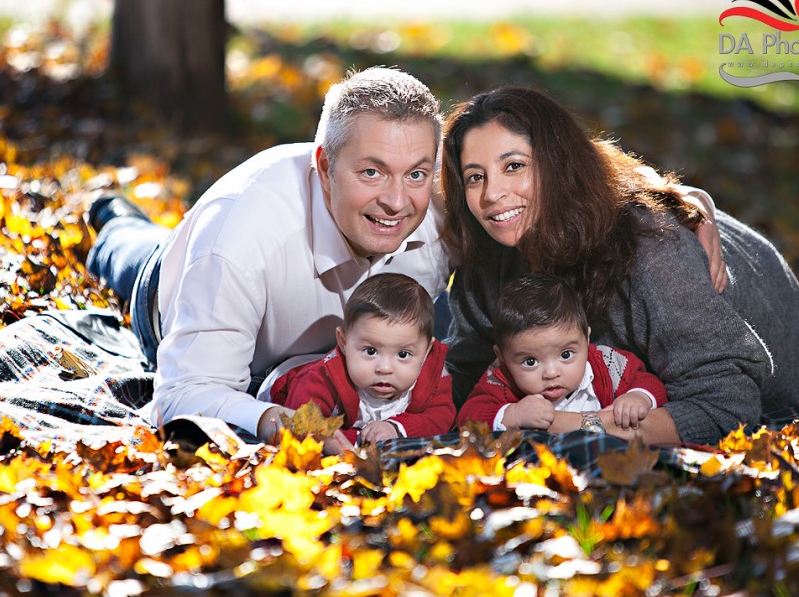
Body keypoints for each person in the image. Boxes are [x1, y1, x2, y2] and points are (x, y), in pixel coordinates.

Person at [86, 67, 452, 441]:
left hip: (328, 357)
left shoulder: (444, 208)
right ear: (325, 168)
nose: (396, 202)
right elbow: (182, 393)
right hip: (171, 291)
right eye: (372, 172)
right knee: (130, 250)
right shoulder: (238, 240)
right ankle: (115, 220)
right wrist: (287, 426)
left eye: (416, 175)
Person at [440, 86, 799, 445]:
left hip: (769, 326)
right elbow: (463, 377)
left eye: (514, 166)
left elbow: (725, 403)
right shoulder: (490, 245)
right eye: (475, 177)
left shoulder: (653, 252)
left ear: (557, 166)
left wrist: (574, 425)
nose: (491, 194)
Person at [457, 273, 666, 432]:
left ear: (586, 338)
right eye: (530, 361)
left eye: (566, 355)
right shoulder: (502, 379)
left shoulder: (607, 364)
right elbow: (467, 417)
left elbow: (651, 383)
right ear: (502, 357)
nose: (551, 373)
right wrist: (512, 414)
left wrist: (638, 397)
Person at [267, 273, 455, 444]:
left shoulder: (432, 375)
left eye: (403, 354)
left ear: (426, 351)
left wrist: (396, 428)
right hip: (285, 388)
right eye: (371, 351)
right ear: (343, 342)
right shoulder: (323, 379)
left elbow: (442, 416)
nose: (385, 368)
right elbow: (302, 424)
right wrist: (360, 439)